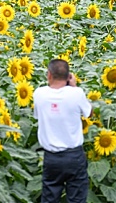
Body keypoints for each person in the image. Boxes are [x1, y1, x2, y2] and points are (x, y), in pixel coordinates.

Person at [33, 59, 93, 203]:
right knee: (77, 198)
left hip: (51, 158)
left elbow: (37, 115)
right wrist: (74, 86)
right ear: (68, 77)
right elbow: (89, 113)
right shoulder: (76, 94)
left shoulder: (39, 94)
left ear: (49, 75)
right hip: (74, 156)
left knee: (49, 197)